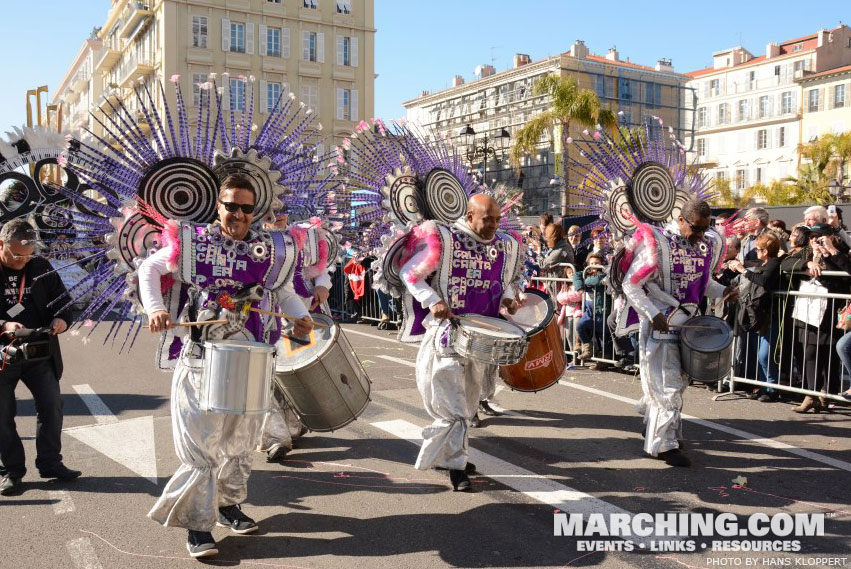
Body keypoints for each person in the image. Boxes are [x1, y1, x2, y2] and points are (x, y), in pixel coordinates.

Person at [140, 174, 313, 558]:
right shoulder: (192, 242)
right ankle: (197, 526)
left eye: (245, 208)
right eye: (230, 205)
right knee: (201, 445)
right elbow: (149, 270)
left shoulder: (273, 249)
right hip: (203, 358)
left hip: (252, 357)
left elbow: (283, 292)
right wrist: (154, 308)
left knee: (240, 443)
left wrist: (299, 316)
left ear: (255, 211)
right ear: (218, 205)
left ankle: (228, 505)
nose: (237, 214)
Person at [400, 194, 521, 491]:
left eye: (496, 219)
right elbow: (410, 274)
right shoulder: (445, 241)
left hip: (481, 337)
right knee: (452, 403)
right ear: (469, 217)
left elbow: (506, 281)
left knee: (468, 402)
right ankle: (456, 466)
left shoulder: (503, 246)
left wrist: (508, 299)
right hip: (448, 333)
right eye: (486, 219)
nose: (493, 225)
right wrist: (433, 300)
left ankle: (454, 455)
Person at [621, 200, 729, 467]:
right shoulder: (657, 243)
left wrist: (724, 292)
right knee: (667, 384)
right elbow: (631, 284)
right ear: (681, 220)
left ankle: (660, 430)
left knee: (676, 383)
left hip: (686, 324)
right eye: (696, 228)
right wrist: (652, 313)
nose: (701, 235)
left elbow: (703, 284)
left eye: (706, 229)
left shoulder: (706, 245)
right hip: (660, 324)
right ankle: (663, 445)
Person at [0, 219, 77, 497]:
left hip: (39, 350)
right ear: (1, 244)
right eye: (16, 255)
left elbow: (64, 302)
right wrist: (4, 326)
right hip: (3, 354)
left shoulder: (40, 267)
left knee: (51, 406)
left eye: (27, 254)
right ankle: (12, 470)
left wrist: (61, 319)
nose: (22, 260)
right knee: (2, 415)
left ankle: (50, 463)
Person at [258, 212, 333, 462]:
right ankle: (275, 437)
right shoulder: (253, 239)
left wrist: (322, 286)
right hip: (263, 317)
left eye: (281, 211)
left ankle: (292, 424)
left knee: (293, 372)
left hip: (300, 317)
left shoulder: (306, 235)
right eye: (270, 211)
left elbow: (321, 267)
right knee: (265, 378)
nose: (277, 216)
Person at [728, 233, 782, 402]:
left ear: (766, 251)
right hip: (757, 314)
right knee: (757, 353)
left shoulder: (774, 263)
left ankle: (773, 388)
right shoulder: (765, 263)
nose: (757, 252)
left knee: (765, 354)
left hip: (770, 314)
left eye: (759, 249)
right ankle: (763, 386)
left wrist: (743, 270)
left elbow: (764, 281)